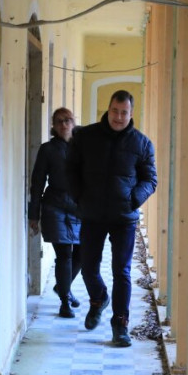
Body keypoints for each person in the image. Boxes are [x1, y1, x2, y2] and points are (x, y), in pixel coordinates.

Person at [66, 90, 157, 347]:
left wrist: (133, 199)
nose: (118, 117)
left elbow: (150, 179)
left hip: (124, 218)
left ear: (131, 113)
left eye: (124, 113)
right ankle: (98, 299)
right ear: (108, 109)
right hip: (92, 214)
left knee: (122, 271)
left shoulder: (142, 144)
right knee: (89, 267)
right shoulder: (86, 137)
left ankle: (120, 325)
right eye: (115, 111)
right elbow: (71, 168)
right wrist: (79, 197)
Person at [27, 108, 83, 318]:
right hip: (55, 205)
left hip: (79, 206)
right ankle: (65, 302)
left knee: (83, 253)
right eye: (59, 121)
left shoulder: (84, 146)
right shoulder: (47, 150)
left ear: (74, 122)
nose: (64, 124)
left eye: (67, 120)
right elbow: (37, 182)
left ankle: (62, 286)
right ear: (53, 125)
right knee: (64, 254)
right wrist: (34, 215)